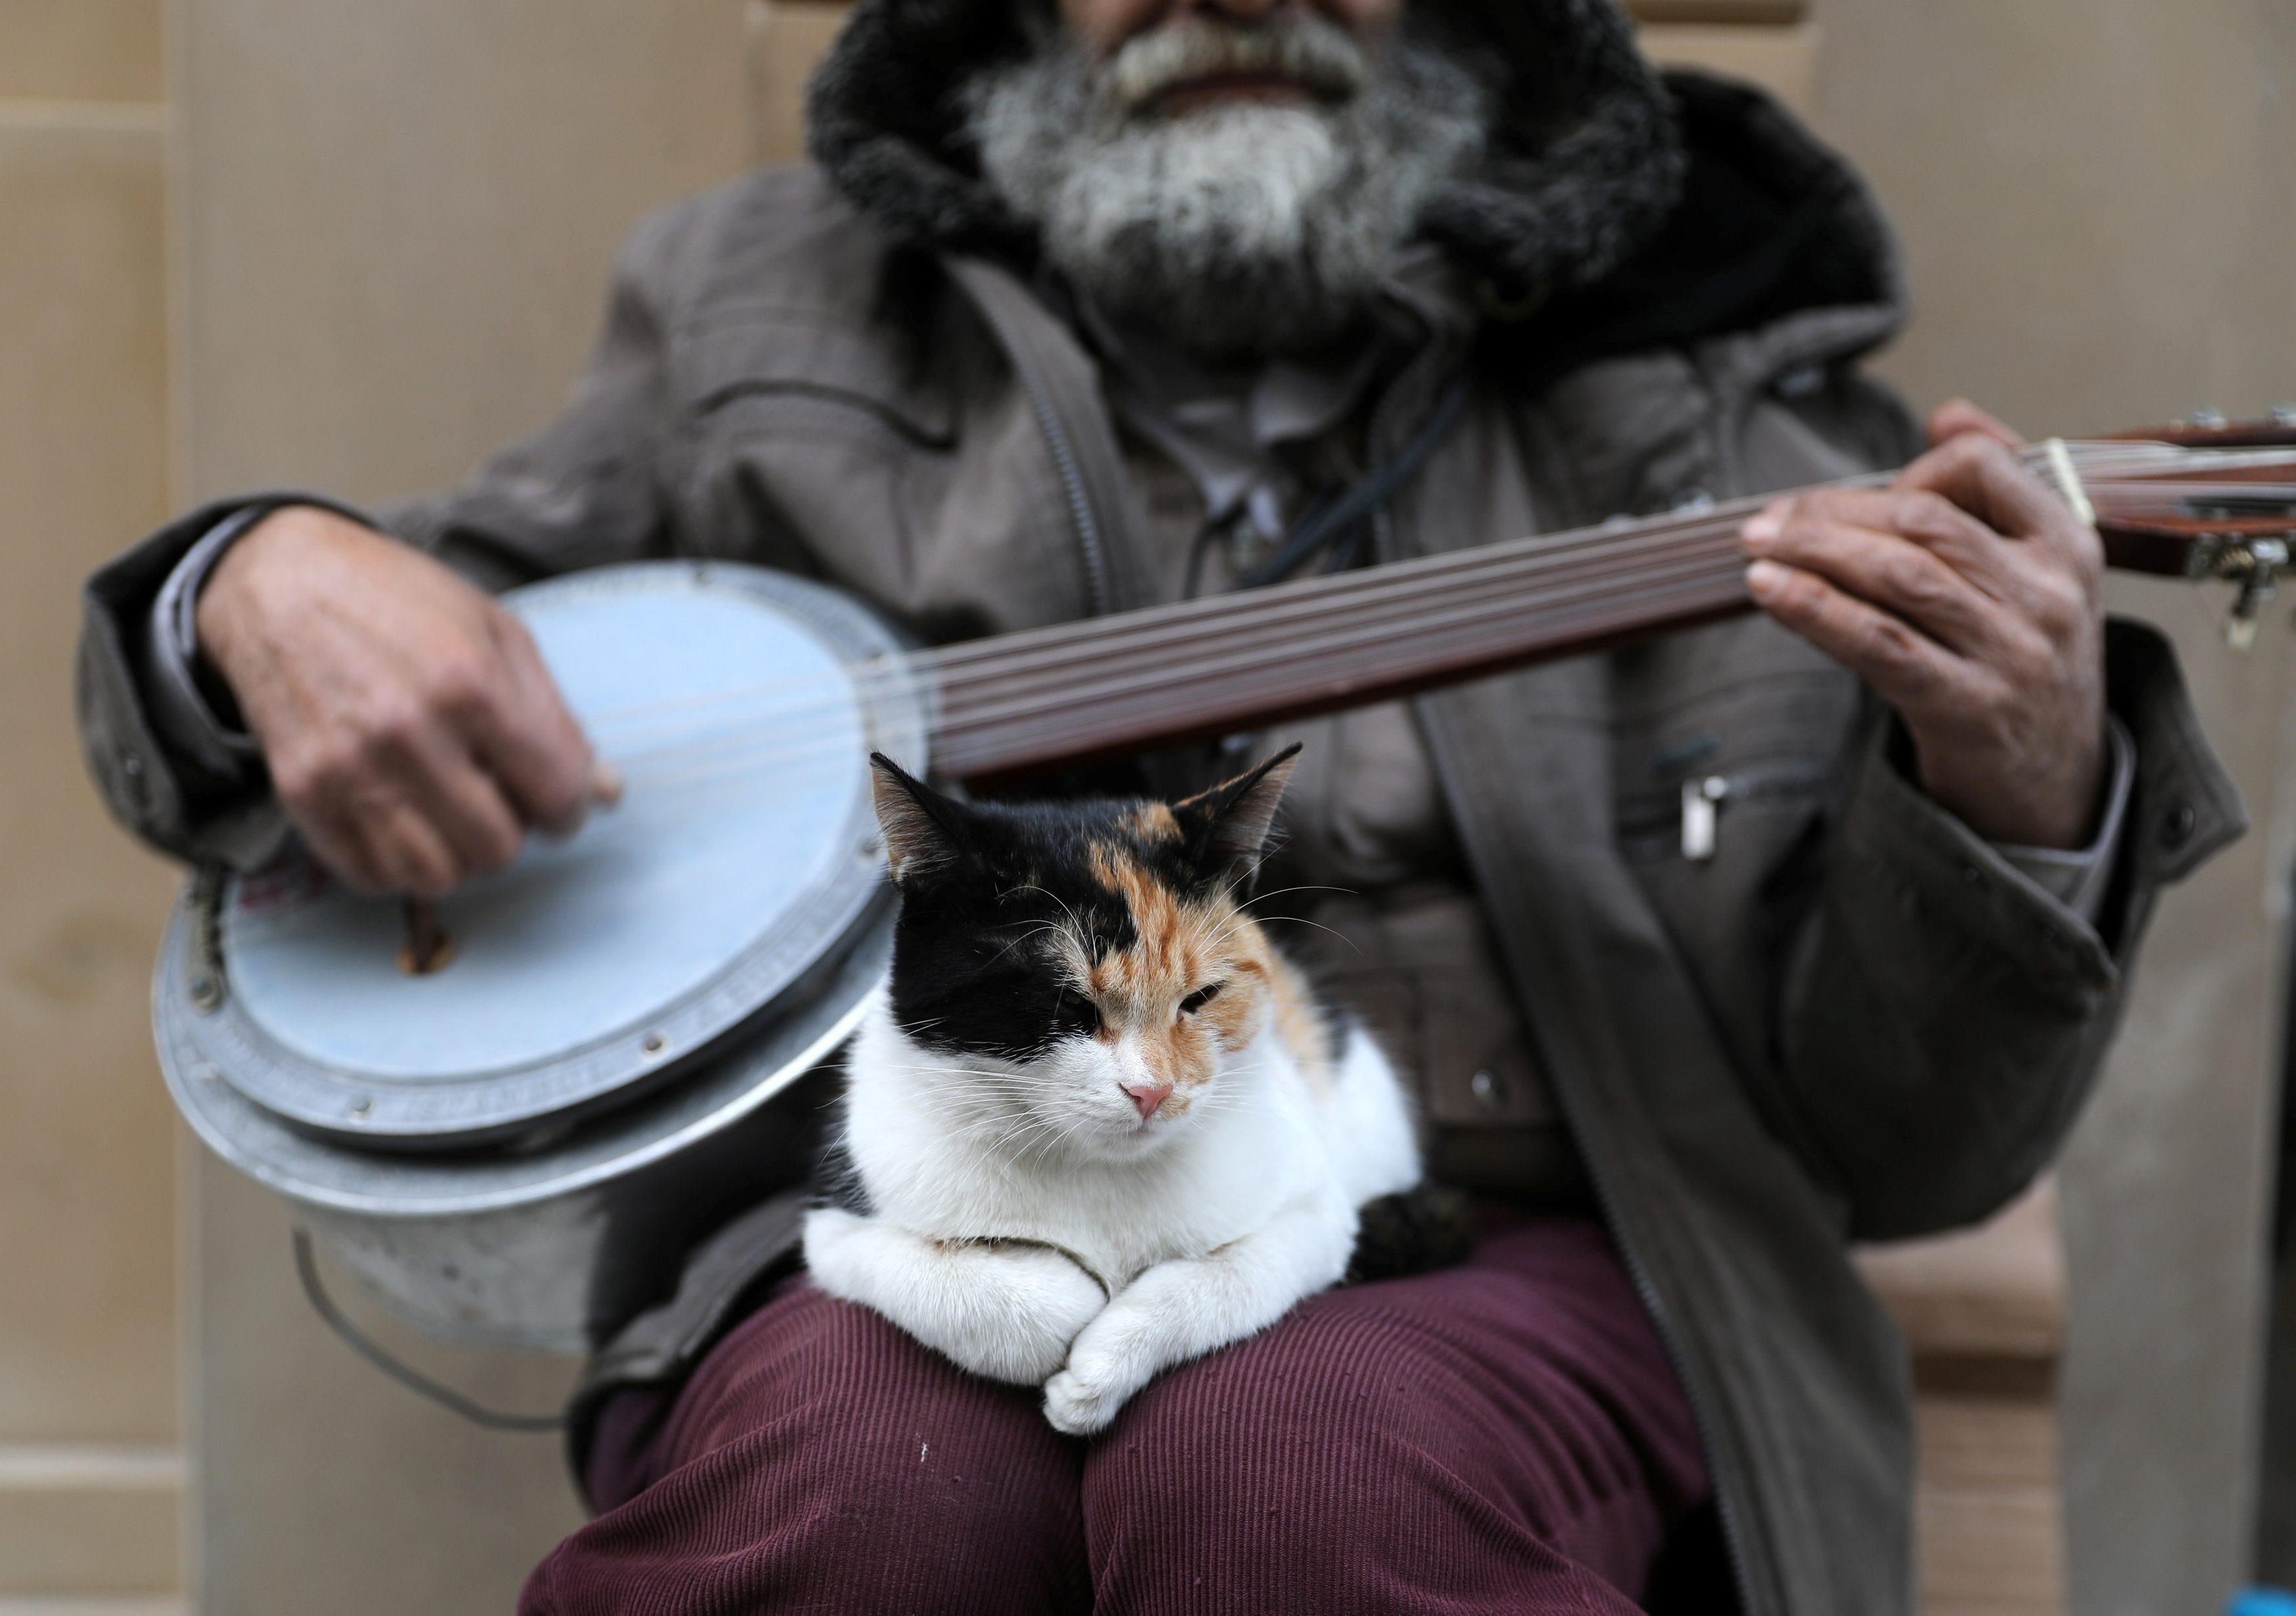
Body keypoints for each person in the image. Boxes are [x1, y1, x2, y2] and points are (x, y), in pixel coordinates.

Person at [75, 0, 2243, 1611]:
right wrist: (246, 586)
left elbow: (1911, 1147)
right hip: (924, 1222)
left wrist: (2013, 777)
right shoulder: (756, 308)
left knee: (1298, 1466)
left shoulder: (1720, 387)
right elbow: (400, 673)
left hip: (1516, 1243)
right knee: (852, 1487)